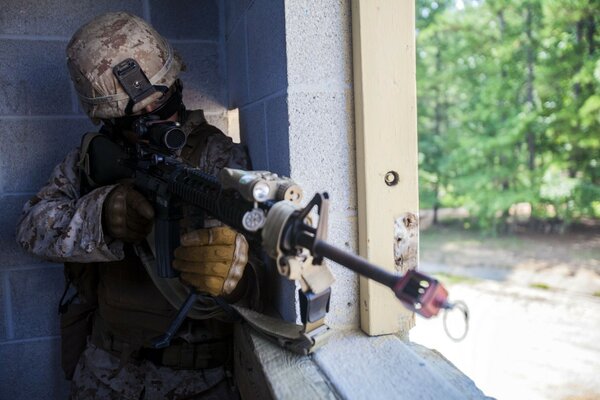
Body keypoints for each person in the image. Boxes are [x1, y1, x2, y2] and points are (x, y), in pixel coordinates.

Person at [15, 12, 256, 399]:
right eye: (134, 119)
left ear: (176, 85)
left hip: (200, 379)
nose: (156, 122)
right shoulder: (91, 159)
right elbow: (31, 227)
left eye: (162, 104)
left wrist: (239, 273)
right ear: (107, 123)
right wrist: (101, 214)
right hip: (107, 373)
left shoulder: (218, 156)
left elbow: (263, 266)